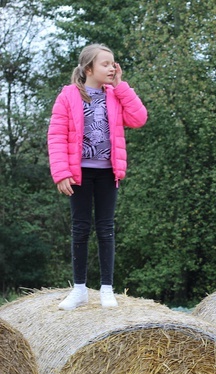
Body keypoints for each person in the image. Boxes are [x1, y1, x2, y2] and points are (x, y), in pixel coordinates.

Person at [48, 43, 148, 310]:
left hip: (107, 172)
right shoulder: (68, 96)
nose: (112, 67)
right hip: (78, 173)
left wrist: (122, 84)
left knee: (106, 229)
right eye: (105, 64)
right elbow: (56, 135)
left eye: (114, 63)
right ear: (88, 68)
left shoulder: (115, 95)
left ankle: (106, 289)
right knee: (80, 229)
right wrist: (61, 173)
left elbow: (139, 118)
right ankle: (79, 289)